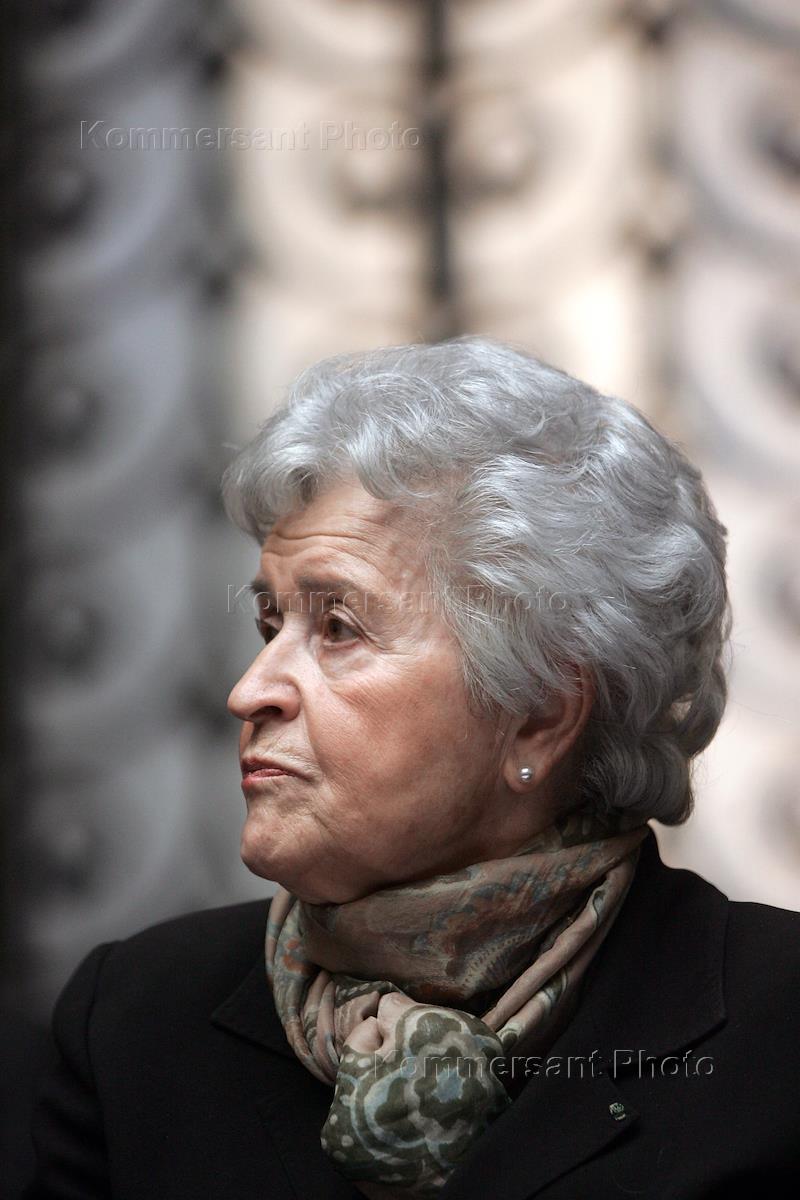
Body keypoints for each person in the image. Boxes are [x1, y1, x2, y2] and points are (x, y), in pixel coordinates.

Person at [26, 339, 800, 1199]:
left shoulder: (778, 1035)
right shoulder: (132, 1025)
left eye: (339, 628)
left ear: (539, 715)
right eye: (270, 626)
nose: (250, 692)